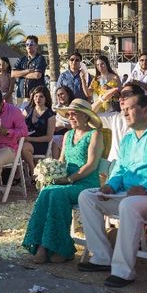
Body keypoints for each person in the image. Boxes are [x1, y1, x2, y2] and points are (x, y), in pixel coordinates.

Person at [77, 93, 147, 288]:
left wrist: (145, 187)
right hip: (129, 195)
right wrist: (111, 185)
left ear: (145, 110)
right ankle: (101, 258)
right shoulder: (128, 138)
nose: (124, 113)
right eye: (123, 109)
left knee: (129, 205)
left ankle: (123, 271)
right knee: (87, 197)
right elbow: (121, 168)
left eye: (129, 109)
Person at [23, 99, 104, 263]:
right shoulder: (68, 134)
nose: (70, 117)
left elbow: (91, 165)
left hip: (86, 183)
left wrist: (68, 179)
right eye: (69, 114)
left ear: (86, 116)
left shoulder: (95, 134)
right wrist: (49, 172)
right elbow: (61, 161)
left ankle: (57, 248)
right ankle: (42, 245)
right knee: (47, 191)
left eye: (74, 113)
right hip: (67, 181)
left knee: (57, 195)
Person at [22, 86, 56, 176]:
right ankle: (18, 175)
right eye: (36, 96)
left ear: (46, 98)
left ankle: (33, 170)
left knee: (24, 148)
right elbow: (19, 124)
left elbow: (49, 137)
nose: (38, 99)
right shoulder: (28, 110)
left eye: (41, 96)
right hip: (25, 140)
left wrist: (29, 139)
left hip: (40, 142)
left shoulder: (50, 115)